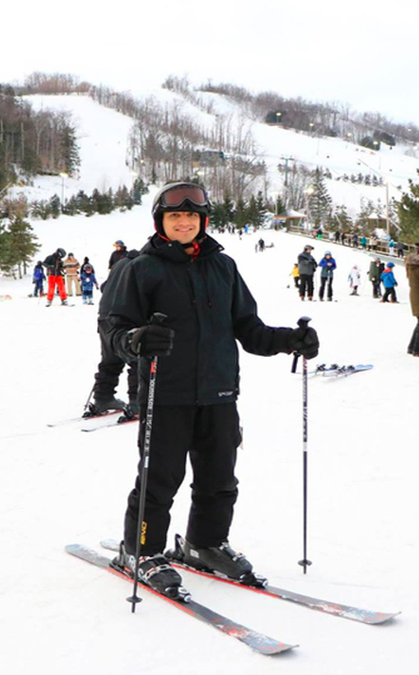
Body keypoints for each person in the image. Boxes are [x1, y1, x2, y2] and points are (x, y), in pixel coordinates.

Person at [103, 181, 320, 599]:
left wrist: (289, 340)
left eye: (191, 216)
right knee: (159, 479)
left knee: (219, 479)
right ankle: (141, 551)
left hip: (220, 392)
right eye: (174, 216)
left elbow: (247, 328)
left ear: (203, 221)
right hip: (165, 394)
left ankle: (204, 543)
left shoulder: (223, 267)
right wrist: (134, 340)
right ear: (161, 222)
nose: (183, 222)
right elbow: (113, 329)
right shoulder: (140, 269)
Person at [88, 248, 141, 419]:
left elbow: (104, 287)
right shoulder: (141, 266)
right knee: (137, 360)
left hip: (104, 317)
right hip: (125, 318)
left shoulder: (119, 264)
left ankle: (103, 397)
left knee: (110, 360)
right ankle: (137, 403)